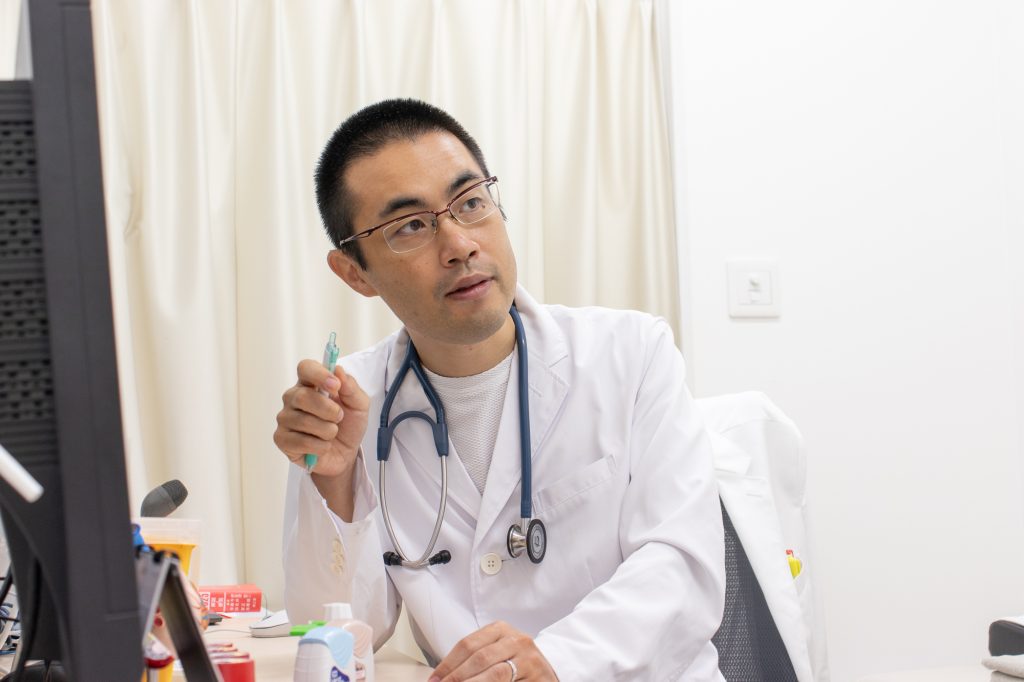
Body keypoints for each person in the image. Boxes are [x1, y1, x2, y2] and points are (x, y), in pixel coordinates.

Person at [274, 99, 725, 681]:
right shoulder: (349, 403)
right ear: (355, 272)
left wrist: (558, 660)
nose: (459, 245)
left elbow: (682, 566)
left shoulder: (631, 353)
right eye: (410, 226)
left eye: (470, 203)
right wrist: (333, 480)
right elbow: (337, 632)